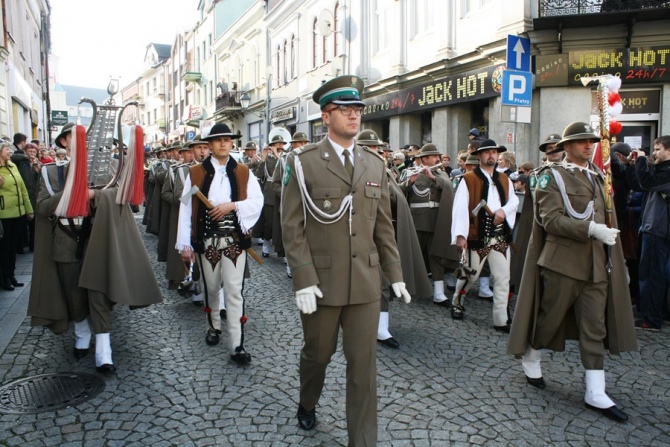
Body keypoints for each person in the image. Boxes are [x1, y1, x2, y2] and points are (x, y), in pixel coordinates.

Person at [281, 75, 410, 444]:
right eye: (345, 110)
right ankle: (308, 402)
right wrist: (303, 279)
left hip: (366, 284)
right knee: (317, 356)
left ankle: (362, 441)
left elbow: (383, 226)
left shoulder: (374, 164)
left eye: (358, 110)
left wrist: (395, 273)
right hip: (322, 284)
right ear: (326, 116)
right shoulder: (304, 163)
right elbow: (292, 227)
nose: (354, 117)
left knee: (363, 370)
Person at [507, 122, 637, 423]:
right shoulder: (549, 177)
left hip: (596, 265)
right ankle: (532, 356)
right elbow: (550, 220)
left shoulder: (599, 177)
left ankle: (595, 390)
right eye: (581, 142)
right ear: (566, 147)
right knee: (549, 320)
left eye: (591, 141)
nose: (588, 146)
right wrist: (591, 228)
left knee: (595, 327)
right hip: (561, 263)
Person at [28, 122, 162, 374]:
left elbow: (124, 197)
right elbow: (43, 207)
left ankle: (104, 348)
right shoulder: (50, 173)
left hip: (99, 238)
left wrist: (94, 195)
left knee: (98, 293)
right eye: (74, 138)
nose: (81, 143)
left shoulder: (108, 170)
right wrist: (71, 191)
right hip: (66, 239)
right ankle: (81, 331)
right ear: (64, 143)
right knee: (74, 294)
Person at [176, 123, 263, 364]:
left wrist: (233, 206)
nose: (223, 143)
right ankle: (213, 326)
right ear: (210, 145)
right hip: (207, 242)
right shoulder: (194, 173)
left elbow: (258, 201)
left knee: (235, 292)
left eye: (227, 139)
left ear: (232, 143)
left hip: (234, 242)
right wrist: (185, 244)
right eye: (218, 140)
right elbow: (185, 207)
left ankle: (237, 344)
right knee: (211, 289)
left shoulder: (244, 171)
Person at [450, 139, 519, 331]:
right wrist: (460, 235)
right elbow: (461, 209)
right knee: (470, 276)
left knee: (503, 277)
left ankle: (501, 318)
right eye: (487, 152)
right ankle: (457, 302)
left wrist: (503, 211)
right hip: (476, 236)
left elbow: (514, 201)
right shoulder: (468, 179)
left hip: (500, 237)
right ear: (479, 156)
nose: (491, 156)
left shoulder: (505, 179)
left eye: (494, 152)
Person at [400, 144, 459, 307]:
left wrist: (433, 177)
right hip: (417, 221)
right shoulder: (409, 172)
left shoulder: (441, 173)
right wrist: (409, 182)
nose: (438, 159)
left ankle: (439, 293)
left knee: (437, 257)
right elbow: (397, 193)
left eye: (438, 157)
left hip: (436, 221)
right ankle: (405, 286)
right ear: (425, 158)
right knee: (412, 255)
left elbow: (448, 188)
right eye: (434, 157)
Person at [631, 136, 670, 330]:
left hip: (657, 230)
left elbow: (647, 183)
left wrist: (641, 161)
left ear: (669, 152)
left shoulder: (668, 172)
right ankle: (650, 312)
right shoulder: (660, 170)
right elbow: (638, 184)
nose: (654, 153)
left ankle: (652, 318)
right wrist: (634, 165)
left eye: (658, 149)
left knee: (652, 276)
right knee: (649, 274)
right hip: (650, 228)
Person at [0, 142, 34, 290]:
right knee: (4, 248)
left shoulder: (13, 165)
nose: (10, 152)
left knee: (12, 246)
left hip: (18, 213)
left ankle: (12, 275)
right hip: (4, 214)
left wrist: (29, 209)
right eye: (7, 149)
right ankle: (5, 278)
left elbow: (23, 189)